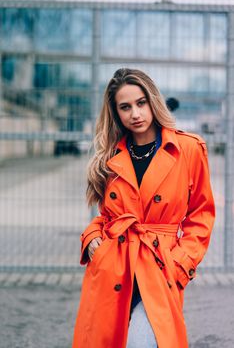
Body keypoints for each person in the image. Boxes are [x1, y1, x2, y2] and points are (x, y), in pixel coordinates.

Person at [72, 68, 215, 348]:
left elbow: (201, 215)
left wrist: (180, 264)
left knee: (142, 341)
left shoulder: (187, 149)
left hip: (160, 267)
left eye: (140, 103)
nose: (135, 114)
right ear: (116, 113)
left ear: (153, 101)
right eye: (125, 107)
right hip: (114, 266)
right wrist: (91, 238)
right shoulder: (111, 157)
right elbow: (106, 216)